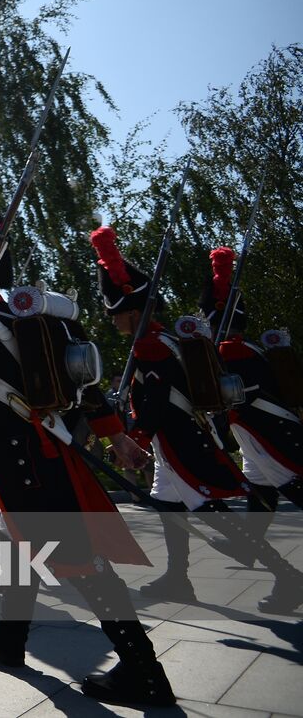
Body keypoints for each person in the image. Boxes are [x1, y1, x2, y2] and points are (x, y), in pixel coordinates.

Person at [0, 167, 173, 706]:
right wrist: (117, 438)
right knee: (28, 551)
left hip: (21, 467)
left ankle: (145, 673)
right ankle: (11, 635)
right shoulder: (49, 314)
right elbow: (87, 385)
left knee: (81, 566)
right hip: (55, 452)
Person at [94, 228, 303, 614]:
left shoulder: (151, 345)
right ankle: (178, 577)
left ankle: (286, 575)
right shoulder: (164, 340)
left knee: (214, 515)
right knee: (168, 507)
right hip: (176, 441)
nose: (112, 322)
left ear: (134, 312)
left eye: (116, 314)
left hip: (179, 441)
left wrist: (133, 438)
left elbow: (157, 402)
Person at [207, 250, 303, 539]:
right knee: (260, 487)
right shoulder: (245, 347)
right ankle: (250, 546)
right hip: (257, 433)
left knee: (287, 485)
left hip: (266, 432)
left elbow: (236, 398)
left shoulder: (229, 352)